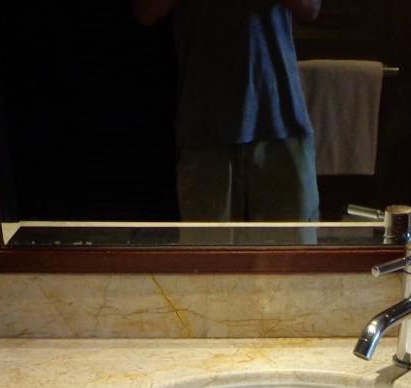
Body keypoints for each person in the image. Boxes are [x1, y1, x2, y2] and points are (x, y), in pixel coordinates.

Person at [133, 0, 321, 222]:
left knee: (289, 245)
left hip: (280, 124)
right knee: (209, 246)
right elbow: (146, 12)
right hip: (204, 132)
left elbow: (310, 7)